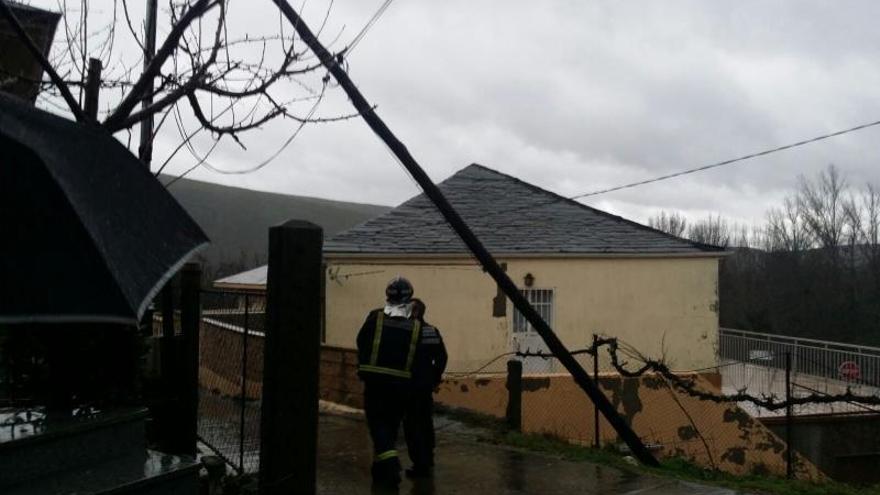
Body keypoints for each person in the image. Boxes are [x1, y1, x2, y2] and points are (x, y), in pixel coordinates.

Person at [356, 276, 421, 488]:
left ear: (388, 296)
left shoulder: (375, 318)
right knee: (390, 427)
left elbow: (361, 340)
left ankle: (391, 466)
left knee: (378, 426)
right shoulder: (416, 326)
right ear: (409, 297)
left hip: (375, 382)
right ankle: (380, 470)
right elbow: (419, 358)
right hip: (401, 386)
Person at [403, 298, 447, 478]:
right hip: (425, 385)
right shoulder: (431, 331)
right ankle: (428, 458)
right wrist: (434, 378)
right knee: (426, 422)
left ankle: (419, 464)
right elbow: (442, 357)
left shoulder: (404, 331)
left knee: (412, 425)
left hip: (408, 385)